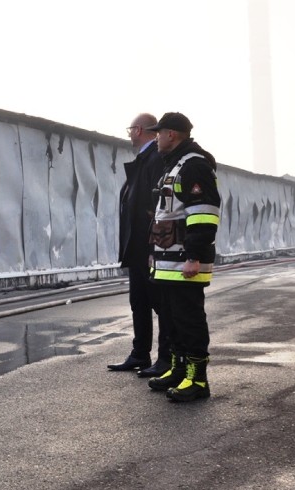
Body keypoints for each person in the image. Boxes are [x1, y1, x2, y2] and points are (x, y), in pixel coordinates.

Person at [144, 112, 221, 402]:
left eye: (159, 133)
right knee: (172, 321)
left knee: (189, 321)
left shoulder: (195, 166)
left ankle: (198, 380)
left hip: (185, 263)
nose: (156, 138)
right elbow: (166, 216)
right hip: (168, 264)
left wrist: (195, 256)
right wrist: (154, 256)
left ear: (172, 134)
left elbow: (204, 213)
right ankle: (178, 370)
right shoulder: (174, 166)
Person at [107, 113, 171, 377]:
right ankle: (140, 354)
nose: (128, 133)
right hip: (137, 247)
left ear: (140, 129)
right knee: (139, 302)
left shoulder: (154, 159)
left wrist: (152, 247)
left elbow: (157, 207)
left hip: (148, 247)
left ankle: (166, 359)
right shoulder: (144, 159)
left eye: (130, 128)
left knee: (159, 303)